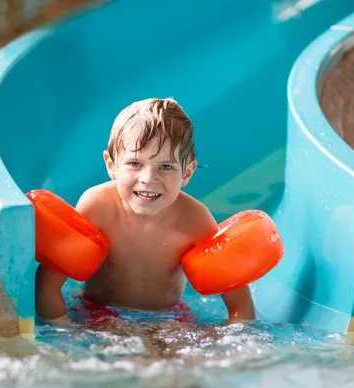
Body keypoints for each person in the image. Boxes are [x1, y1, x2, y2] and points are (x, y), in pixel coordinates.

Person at [35, 98, 255, 325]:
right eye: (134, 163)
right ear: (111, 165)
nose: (149, 179)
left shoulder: (195, 221)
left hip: (168, 317)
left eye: (166, 166)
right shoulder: (98, 207)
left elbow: (239, 302)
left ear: (187, 173)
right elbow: (48, 284)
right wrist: (62, 331)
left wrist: (237, 339)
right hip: (98, 310)